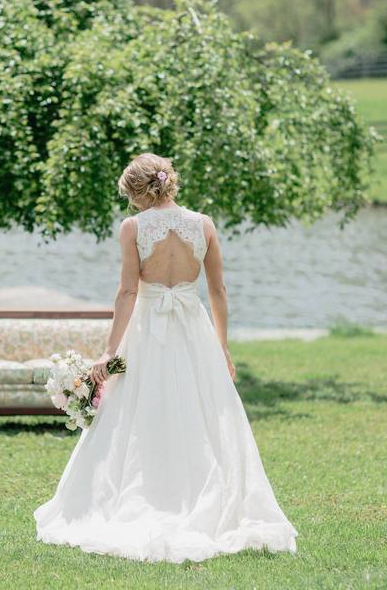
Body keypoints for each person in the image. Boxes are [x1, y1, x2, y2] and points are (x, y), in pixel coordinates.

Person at [33, 153, 298, 563]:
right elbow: (219, 291)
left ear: (139, 192)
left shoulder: (133, 228)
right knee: (204, 412)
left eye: (130, 196)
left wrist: (108, 352)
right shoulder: (203, 224)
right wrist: (222, 346)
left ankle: (146, 495)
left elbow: (127, 292)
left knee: (140, 413)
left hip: (146, 332)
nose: (130, 205)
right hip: (194, 330)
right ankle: (202, 497)